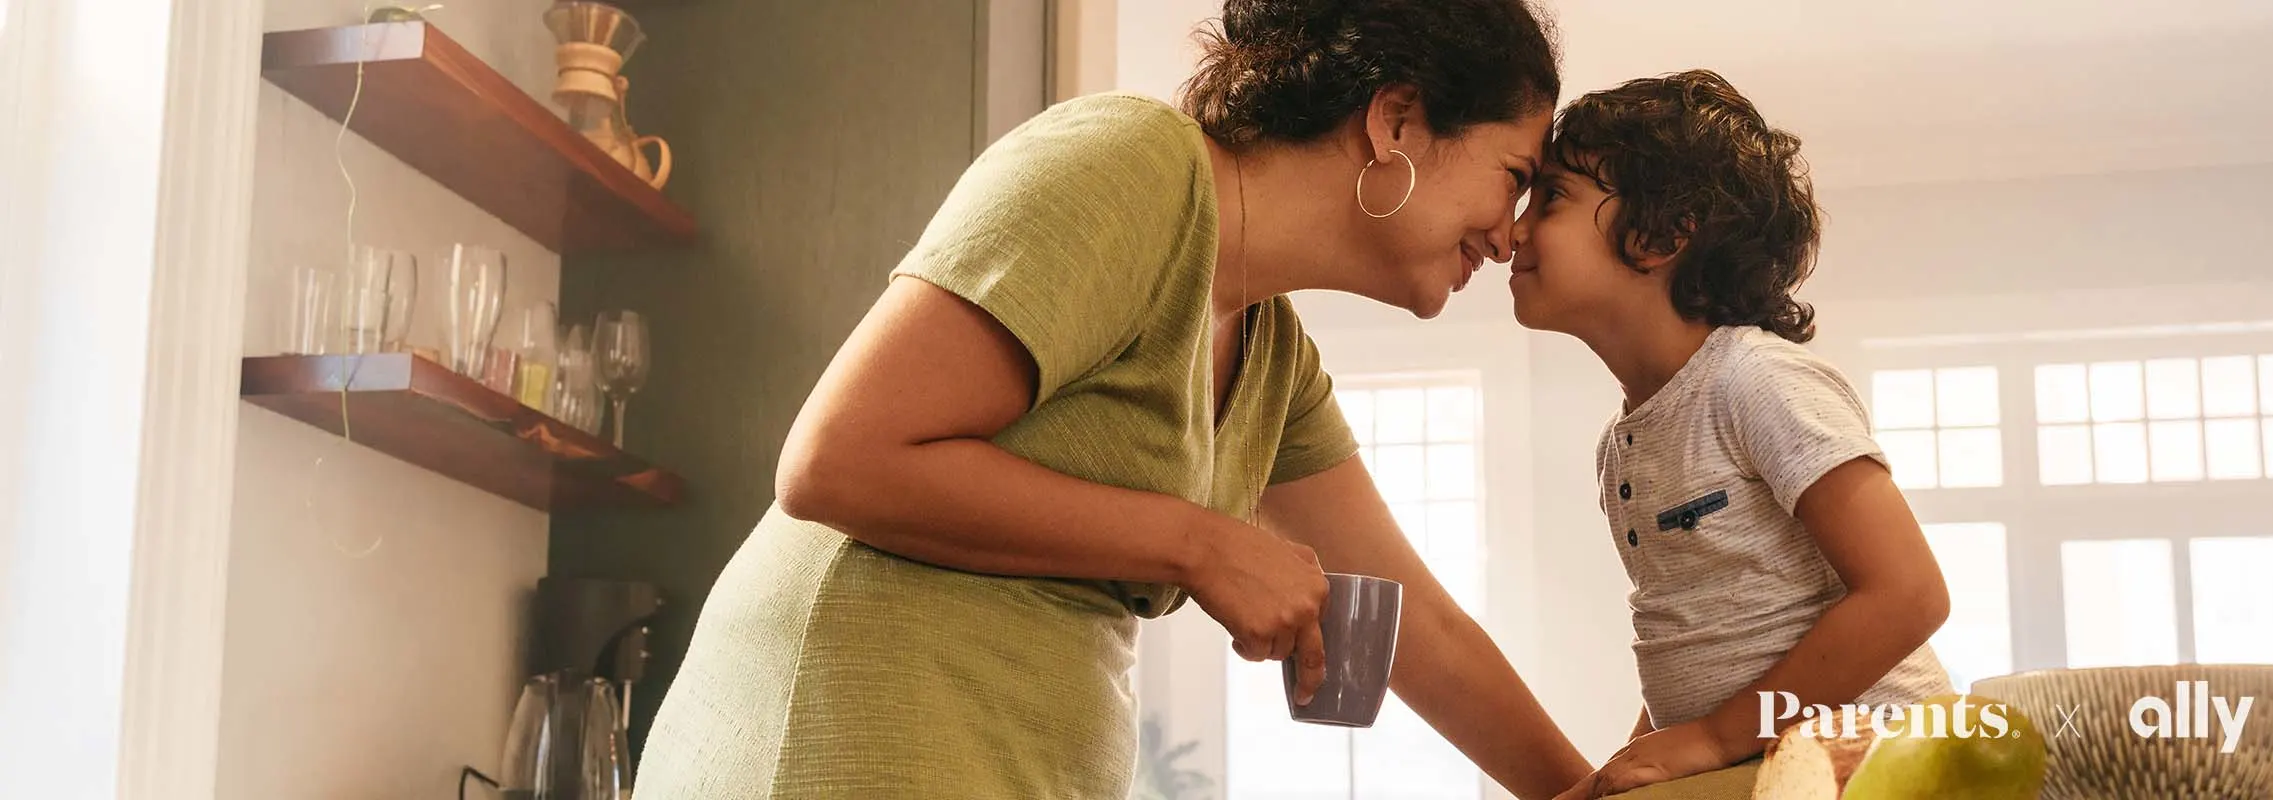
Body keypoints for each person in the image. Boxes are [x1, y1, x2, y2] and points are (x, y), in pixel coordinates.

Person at [633, 2, 1596, 797]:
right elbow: (835, 461)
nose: (1511, 237)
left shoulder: (1275, 360)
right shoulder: (1135, 167)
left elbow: (1420, 630)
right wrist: (1201, 542)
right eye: (1513, 179)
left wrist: (1594, 795)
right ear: (1395, 122)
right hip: (839, 745)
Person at [1510, 71, 1956, 797]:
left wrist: (1712, 738)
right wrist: (1632, 765)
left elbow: (1909, 593)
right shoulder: (1622, 444)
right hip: (1762, 763)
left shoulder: (1757, 382)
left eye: (1552, 197)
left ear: (1660, 234)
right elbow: (1696, 638)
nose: (1513, 231)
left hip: (1877, 755)